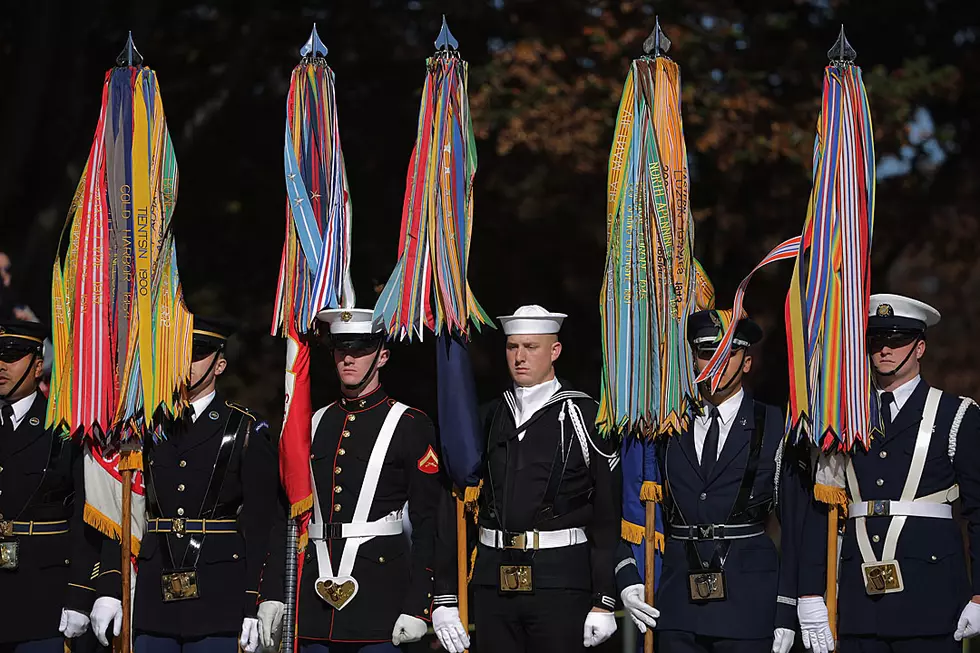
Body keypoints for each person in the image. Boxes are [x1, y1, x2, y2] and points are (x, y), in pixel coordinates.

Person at [616, 309, 816, 653]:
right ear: (693, 359)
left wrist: (788, 606)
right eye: (707, 353)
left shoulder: (774, 425)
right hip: (677, 606)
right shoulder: (666, 425)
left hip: (749, 606)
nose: (715, 364)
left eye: (728, 354)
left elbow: (796, 523)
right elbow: (636, 501)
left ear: (747, 362)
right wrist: (626, 575)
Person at [432, 304, 621, 653]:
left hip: (560, 583)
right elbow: (454, 505)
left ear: (555, 351)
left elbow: (606, 514)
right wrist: (444, 595)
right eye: (512, 346)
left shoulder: (586, 416)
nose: (519, 357)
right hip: (493, 582)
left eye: (531, 347)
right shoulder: (485, 418)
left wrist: (604, 598)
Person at [797, 294, 980, 653]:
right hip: (858, 602)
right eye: (876, 340)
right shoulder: (842, 418)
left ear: (920, 347)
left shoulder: (956, 414)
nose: (885, 350)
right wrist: (808, 590)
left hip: (931, 598)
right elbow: (822, 506)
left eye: (897, 340)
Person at [88, 317, 281, 653]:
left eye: (197, 354)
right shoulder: (144, 427)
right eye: (177, 353)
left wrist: (256, 600)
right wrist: (110, 586)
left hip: (218, 596)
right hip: (153, 594)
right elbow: (123, 510)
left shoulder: (245, 429)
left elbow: (264, 524)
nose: (185, 363)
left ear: (219, 364)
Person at [258, 308, 441, 652]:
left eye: (360, 350)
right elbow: (286, 515)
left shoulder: (409, 423)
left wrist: (421, 605)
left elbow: (429, 522)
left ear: (382, 356)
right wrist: (271, 592)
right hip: (314, 605)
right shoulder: (313, 423)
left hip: (380, 601)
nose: (349, 359)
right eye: (342, 350)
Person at [0, 320, 97, 653]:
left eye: (12, 356)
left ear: (38, 364)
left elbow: (84, 515)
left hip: (42, 594)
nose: (1, 365)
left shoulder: (65, 426)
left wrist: (81, 592)